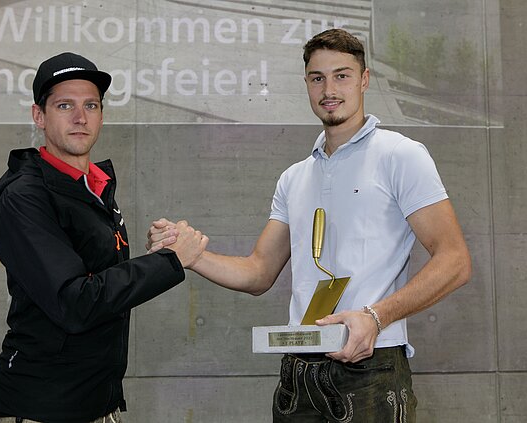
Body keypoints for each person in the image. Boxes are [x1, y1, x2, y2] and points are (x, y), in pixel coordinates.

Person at [148, 29, 471, 422]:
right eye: (318, 78)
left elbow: (455, 261)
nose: (329, 90)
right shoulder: (294, 178)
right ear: (306, 84)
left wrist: (375, 317)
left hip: (371, 368)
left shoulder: (400, 155)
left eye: (342, 76)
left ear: (365, 80)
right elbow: (258, 272)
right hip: (298, 374)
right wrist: (191, 255)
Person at [0, 52, 207, 423]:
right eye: (64, 105)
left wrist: (162, 248)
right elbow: (75, 302)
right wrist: (168, 262)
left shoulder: (94, 187)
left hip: (99, 406)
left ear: (102, 115)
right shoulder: (25, 198)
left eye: (90, 105)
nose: (80, 117)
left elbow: (104, 281)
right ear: (39, 116)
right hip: (41, 409)